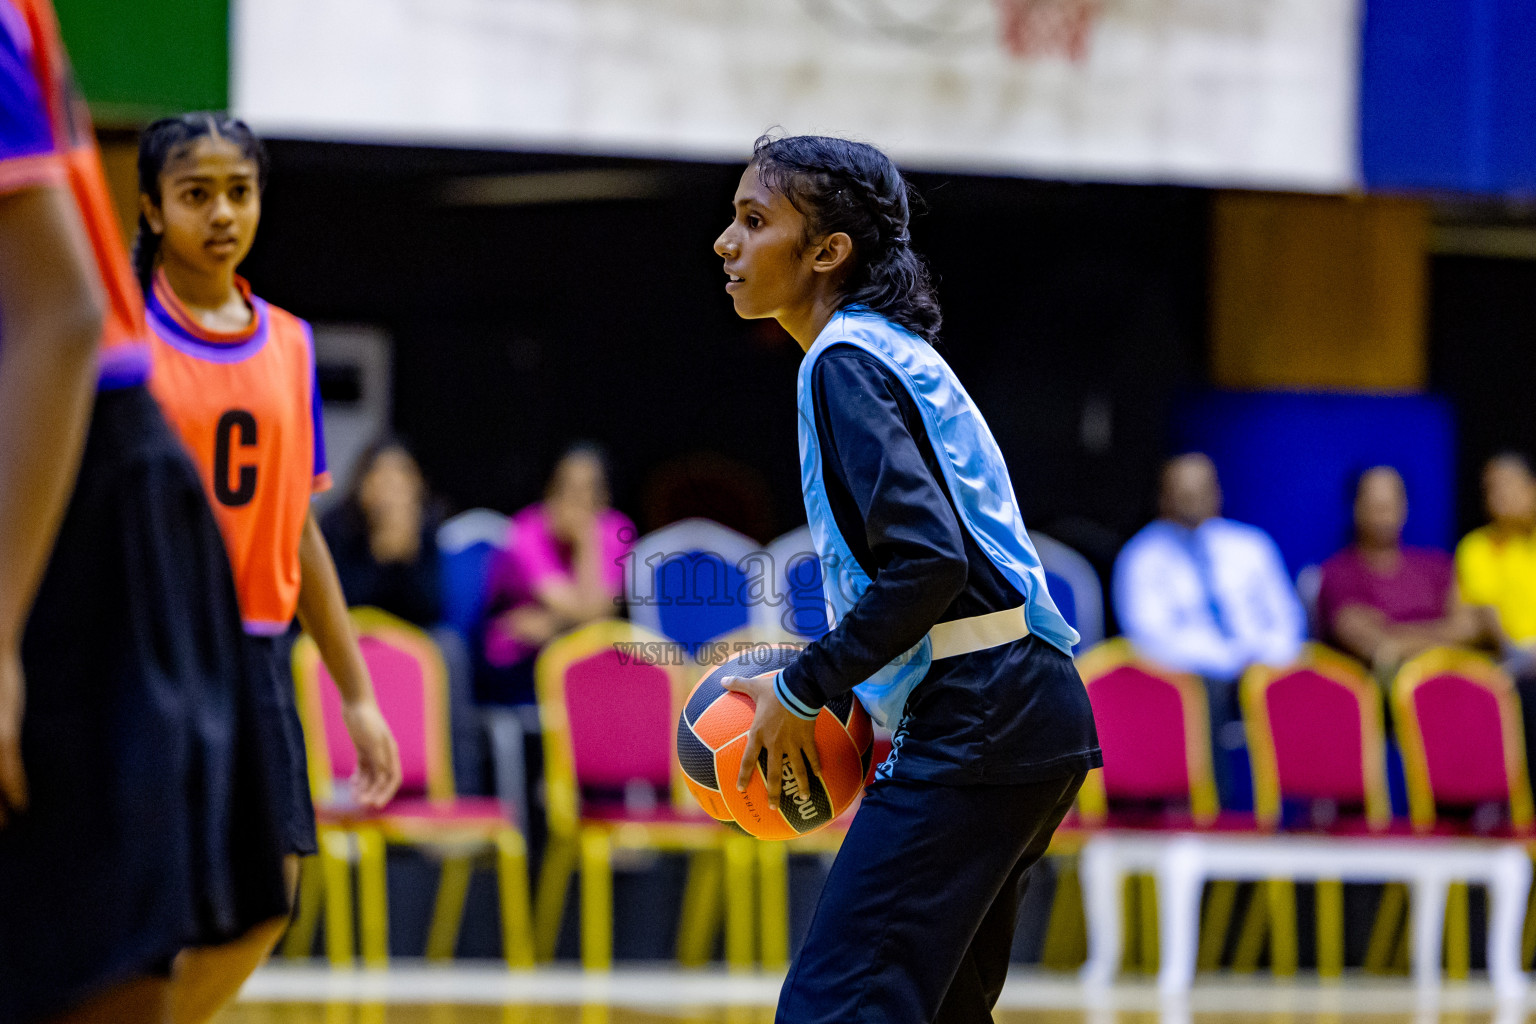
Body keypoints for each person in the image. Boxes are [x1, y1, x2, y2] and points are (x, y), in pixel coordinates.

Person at [712, 135, 1100, 1024]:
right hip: (1022, 705)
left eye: (754, 221)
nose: (726, 244)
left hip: (984, 711)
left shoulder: (843, 361)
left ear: (826, 252)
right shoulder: (885, 350)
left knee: (836, 1009)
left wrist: (804, 685)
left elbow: (929, 561)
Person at [0, 7, 287, 1022]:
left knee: (179, 924)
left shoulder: (274, 345)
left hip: (78, 505)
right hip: (105, 510)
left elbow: (63, 312)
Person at [134, 113, 402, 1024]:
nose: (220, 213)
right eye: (195, 193)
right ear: (150, 207)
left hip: (253, 654)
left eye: (238, 192)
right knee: (140, 898)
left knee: (267, 902)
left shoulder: (287, 342)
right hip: (143, 646)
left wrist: (356, 693)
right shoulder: (121, 338)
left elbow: (299, 528)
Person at [1113, 453, 1305, 680]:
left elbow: (1288, 617)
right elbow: (1147, 636)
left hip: (1264, 673)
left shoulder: (1252, 544)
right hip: (1185, 680)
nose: (1193, 501)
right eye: (1184, 493)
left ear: (1218, 492)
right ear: (1163, 497)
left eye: (1201, 491)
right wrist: (1228, 661)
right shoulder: (1140, 556)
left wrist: (1262, 659)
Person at [478, 443, 634, 706]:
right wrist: (576, 618)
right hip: (520, 659)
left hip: (580, 650)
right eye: (568, 490)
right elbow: (582, 610)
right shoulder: (526, 530)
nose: (578, 501)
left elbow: (596, 616)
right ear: (550, 491)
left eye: (589, 491)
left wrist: (587, 540)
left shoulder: (616, 529)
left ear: (604, 497)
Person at [1318, 466, 1482, 674]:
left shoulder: (1437, 566)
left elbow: (1468, 629)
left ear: (1405, 506)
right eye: (1375, 505)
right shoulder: (1336, 574)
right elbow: (1365, 641)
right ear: (1355, 507)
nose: (1383, 512)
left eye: (1390, 503)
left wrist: (1396, 641)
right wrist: (1442, 634)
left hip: (1448, 682)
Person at [322, 436, 444, 629]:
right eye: (383, 476)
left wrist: (406, 558)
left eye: (402, 476)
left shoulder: (426, 526)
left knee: (450, 645)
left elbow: (431, 610)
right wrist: (377, 557)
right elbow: (331, 602)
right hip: (346, 631)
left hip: (405, 636)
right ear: (363, 482)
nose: (392, 487)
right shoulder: (336, 524)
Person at [1456, 453, 1536, 655]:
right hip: (1513, 660)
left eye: (1508, 484)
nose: (1499, 496)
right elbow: (1486, 611)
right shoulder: (1477, 546)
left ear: (1532, 489)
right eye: (1491, 489)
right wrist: (1517, 653)